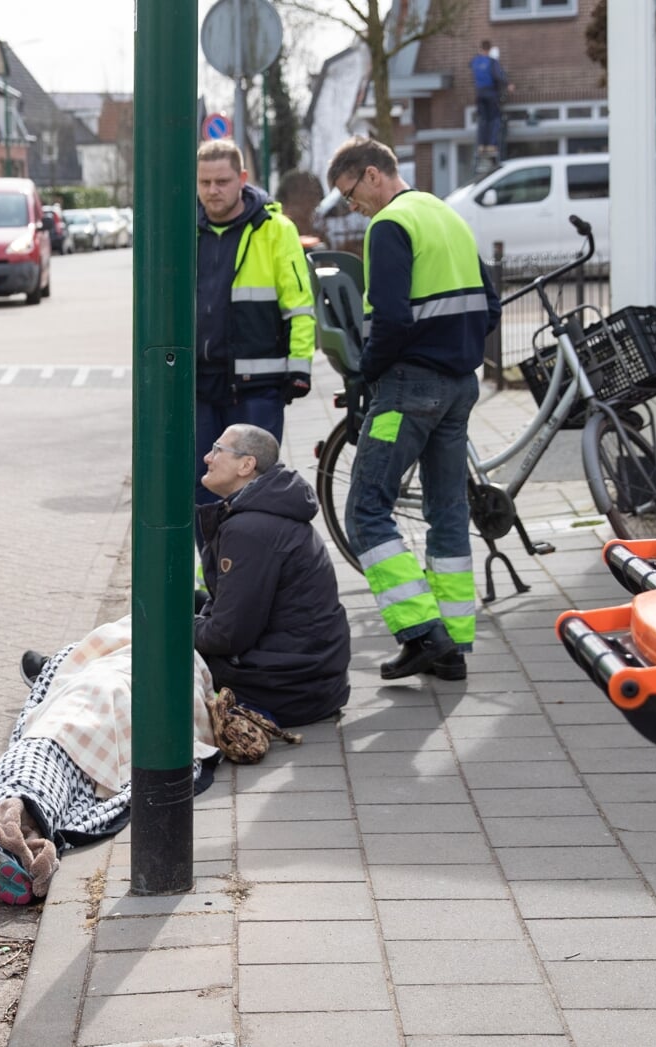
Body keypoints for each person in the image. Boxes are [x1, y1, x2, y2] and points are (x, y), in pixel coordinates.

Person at [0, 619, 223, 904]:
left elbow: (57, 670)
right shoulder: (180, 651)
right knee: (54, 770)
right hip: (106, 710)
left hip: (87, 703)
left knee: (36, 753)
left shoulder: (158, 642)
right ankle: (0, 851)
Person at [326, 136, 500, 681]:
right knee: (448, 511)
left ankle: (422, 632)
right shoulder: (445, 215)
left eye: (350, 192)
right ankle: (452, 647)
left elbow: (394, 320)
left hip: (410, 387)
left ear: (373, 175)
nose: (351, 206)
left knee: (366, 509)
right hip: (458, 384)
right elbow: (489, 306)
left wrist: (366, 372)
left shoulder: (390, 224)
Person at [195, 424, 351, 727]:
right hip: (309, 679)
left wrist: (171, 632)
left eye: (217, 450)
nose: (207, 457)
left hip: (285, 689)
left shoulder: (251, 529)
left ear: (246, 464)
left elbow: (227, 635)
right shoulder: (264, 510)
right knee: (184, 604)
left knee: (148, 648)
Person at [194, 139, 315, 506]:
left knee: (253, 491)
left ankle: (249, 564)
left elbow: (299, 305)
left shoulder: (275, 229)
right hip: (200, 385)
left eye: (223, 181)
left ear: (242, 178)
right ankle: (212, 565)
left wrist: (299, 370)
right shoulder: (186, 230)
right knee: (204, 488)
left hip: (258, 388)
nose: (213, 190)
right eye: (204, 182)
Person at [471, 40, 514, 162]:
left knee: (483, 120)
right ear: (489, 49)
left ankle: (481, 145)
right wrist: (508, 84)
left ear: (480, 48)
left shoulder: (475, 61)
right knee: (494, 119)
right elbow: (498, 75)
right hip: (490, 93)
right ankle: (491, 145)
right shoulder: (491, 62)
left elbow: (473, 70)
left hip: (479, 94)